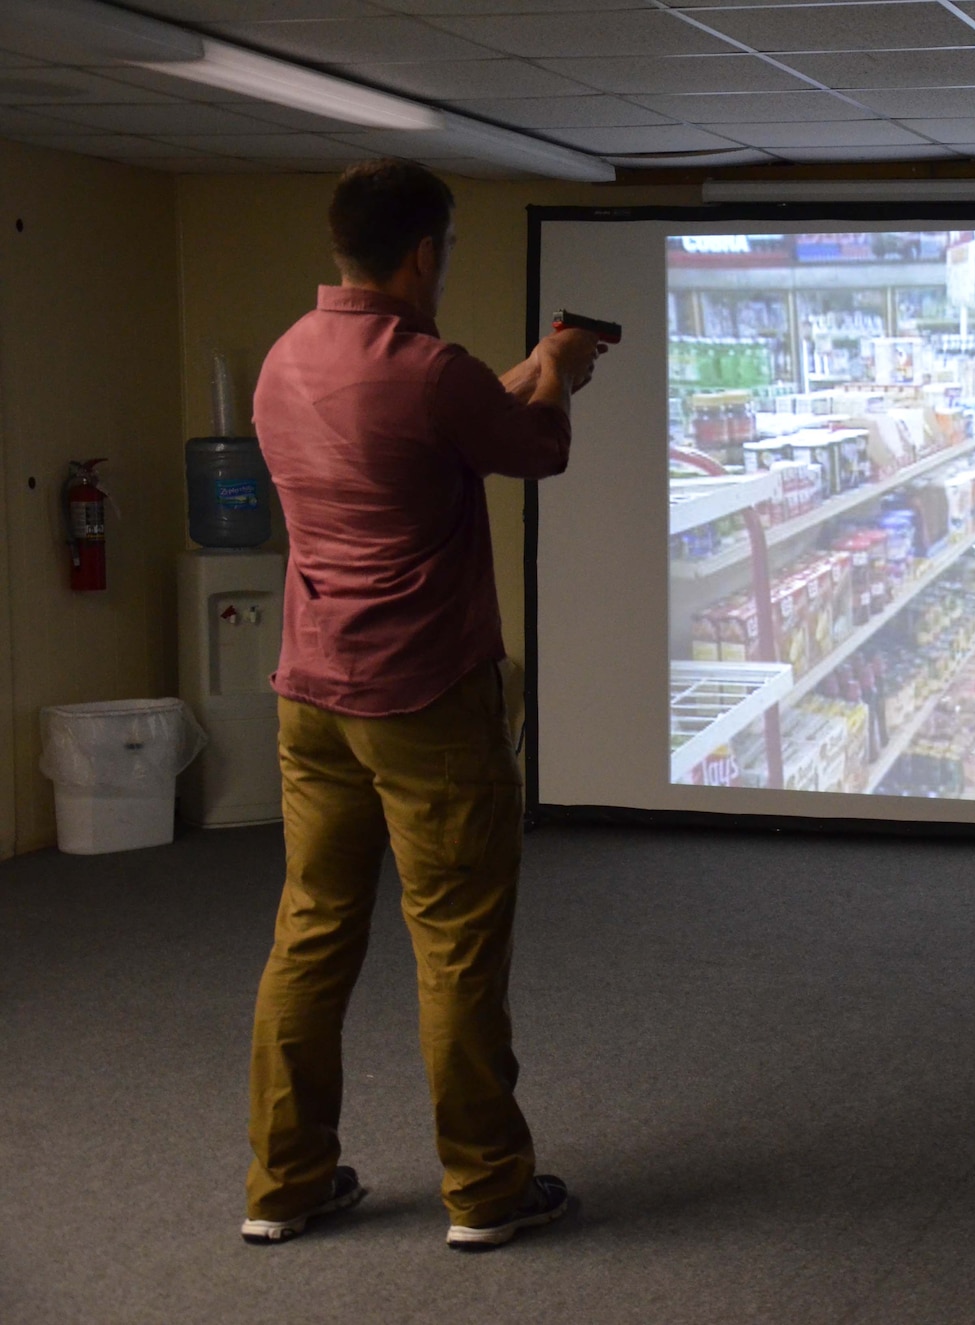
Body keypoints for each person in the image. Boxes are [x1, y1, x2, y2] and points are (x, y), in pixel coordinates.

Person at [240, 160, 607, 1252]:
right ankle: (485, 1187)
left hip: (312, 694)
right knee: (453, 946)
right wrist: (563, 377)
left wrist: (527, 368)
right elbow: (528, 446)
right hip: (428, 702)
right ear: (422, 253)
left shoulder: (286, 359)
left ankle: (285, 1180)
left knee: (310, 932)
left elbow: (432, 425)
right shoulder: (431, 365)